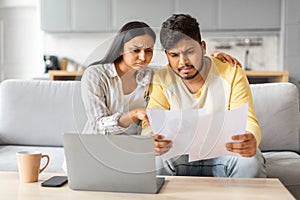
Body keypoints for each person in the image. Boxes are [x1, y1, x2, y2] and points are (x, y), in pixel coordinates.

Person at [81, 21, 241, 155]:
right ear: (121, 48)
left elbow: (181, 64)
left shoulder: (151, 74)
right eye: (136, 50)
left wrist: (211, 58)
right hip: (98, 149)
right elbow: (97, 125)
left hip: (133, 150)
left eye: (149, 51)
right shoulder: (95, 75)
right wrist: (133, 115)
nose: (143, 57)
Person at [142, 14, 266, 178]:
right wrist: (151, 138)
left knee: (251, 160)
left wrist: (251, 139)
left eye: (190, 52)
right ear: (166, 54)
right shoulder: (161, 77)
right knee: (153, 159)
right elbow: (150, 122)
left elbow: (248, 120)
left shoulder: (231, 71)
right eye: (174, 55)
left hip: (224, 152)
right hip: (179, 154)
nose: (183, 62)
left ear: (203, 47)